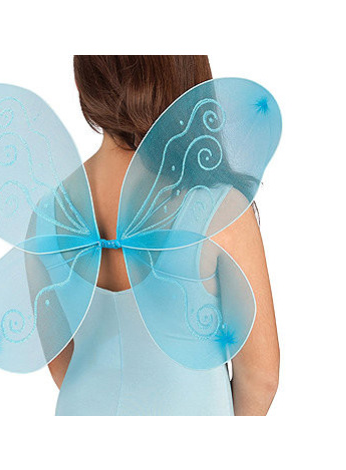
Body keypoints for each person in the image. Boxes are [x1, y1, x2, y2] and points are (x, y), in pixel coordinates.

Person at [43, 56, 279, 416]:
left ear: (83, 82)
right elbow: (260, 377)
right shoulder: (219, 210)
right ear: (188, 79)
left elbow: (62, 361)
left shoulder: (45, 214)